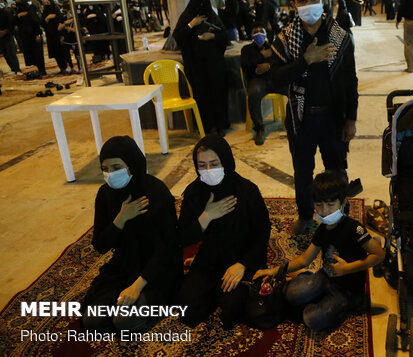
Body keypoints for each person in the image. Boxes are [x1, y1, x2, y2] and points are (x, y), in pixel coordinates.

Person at [270, 0, 358, 235]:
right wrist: (305, 61)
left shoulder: (340, 37)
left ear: (323, 0)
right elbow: (275, 78)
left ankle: (339, 213)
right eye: (302, 1)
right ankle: (306, 215)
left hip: (333, 117)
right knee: (302, 171)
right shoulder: (286, 39)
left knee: (337, 169)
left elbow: (350, 81)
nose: (309, 5)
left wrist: (350, 119)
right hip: (302, 119)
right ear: (294, 5)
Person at [253, 170, 384, 331]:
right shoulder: (323, 229)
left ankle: (344, 305)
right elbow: (304, 260)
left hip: (347, 291)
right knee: (291, 294)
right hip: (325, 277)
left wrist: (346, 269)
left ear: (342, 204)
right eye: (319, 205)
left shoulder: (354, 228)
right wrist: (274, 271)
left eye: (330, 205)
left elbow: (379, 254)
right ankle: (311, 285)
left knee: (311, 320)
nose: (324, 210)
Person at [82, 136, 182, 332]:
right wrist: (120, 219)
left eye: (117, 167)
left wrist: (138, 285)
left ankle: (159, 302)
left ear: (132, 164)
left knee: (124, 321)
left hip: (158, 271)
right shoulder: (105, 194)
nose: (110, 174)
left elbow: (168, 247)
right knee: (92, 322)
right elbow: (100, 245)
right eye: (105, 169)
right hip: (124, 266)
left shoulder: (156, 192)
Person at [176, 135, 270, 329]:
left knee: (232, 310)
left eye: (214, 164)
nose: (208, 170)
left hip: (241, 259)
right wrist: (206, 217)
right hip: (208, 261)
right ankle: (212, 291)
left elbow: (262, 232)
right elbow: (183, 238)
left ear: (225, 161)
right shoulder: (194, 194)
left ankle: (220, 292)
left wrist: (243, 264)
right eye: (202, 165)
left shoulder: (247, 191)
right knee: (188, 310)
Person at [173, 0, 230, 136]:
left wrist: (212, 37)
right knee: (201, 95)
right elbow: (178, 36)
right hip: (196, 66)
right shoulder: (186, 17)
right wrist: (192, 24)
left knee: (217, 94)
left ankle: (220, 125)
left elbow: (224, 36)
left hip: (214, 64)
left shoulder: (212, 16)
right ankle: (205, 126)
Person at [241, 22, 285, 145]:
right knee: (253, 94)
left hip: (274, 79)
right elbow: (245, 66)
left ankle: (294, 121)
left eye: (262, 31)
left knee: (293, 87)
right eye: (256, 32)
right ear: (251, 35)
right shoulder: (246, 49)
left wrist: (269, 65)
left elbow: (281, 62)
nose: (259, 34)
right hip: (257, 81)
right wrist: (260, 55)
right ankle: (259, 128)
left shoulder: (274, 46)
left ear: (266, 34)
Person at [14, 0, 46, 76]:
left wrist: (37, 34)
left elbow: (36, 23)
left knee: (38, 54)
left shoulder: (30, 10)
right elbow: (14, 22)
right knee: (28, 55)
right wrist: (18, 16)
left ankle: (41, 70)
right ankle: (32, 71)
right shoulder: (18, 12)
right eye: (16, 1)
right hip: (24, 37)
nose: (17, 3)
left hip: (34, 35)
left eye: (19, 1)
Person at [42, 0, 68, 74]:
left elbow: (61, 23)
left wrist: (62, 35)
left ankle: (65, 67)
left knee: (62, 51)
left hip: (58, 34)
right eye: (44, 3)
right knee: (55, 52)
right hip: (50, 35)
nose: (46, 5)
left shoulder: (57, 11)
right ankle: (61, 68)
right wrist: (47, 18)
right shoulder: (45, 13)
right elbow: (42, 23)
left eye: (48, 3)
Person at [0, 0, 22, 75]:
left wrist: (5, 31)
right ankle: (12, 69)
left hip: (7, 34)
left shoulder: (6, 12)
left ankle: (17, 69)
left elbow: (11, 23)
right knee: (5, 54)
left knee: (11, 53)